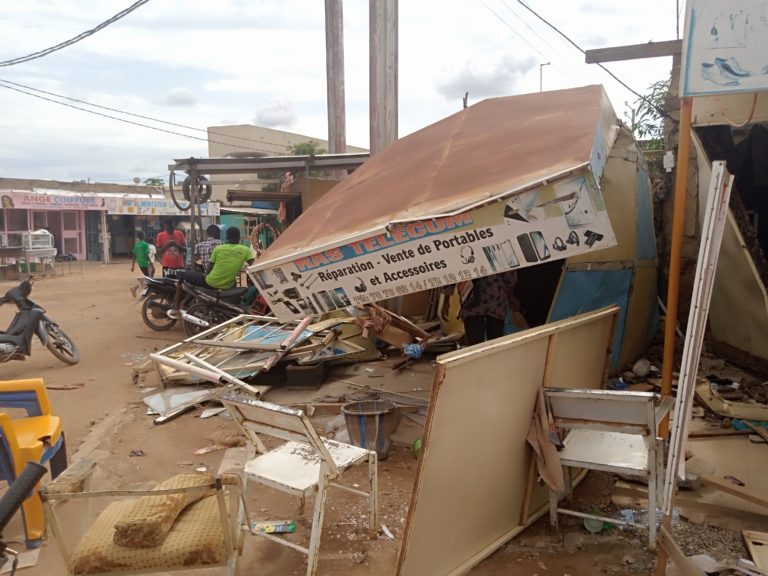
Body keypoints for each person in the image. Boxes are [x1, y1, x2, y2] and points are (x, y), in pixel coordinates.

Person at [167, 227, 254, 319]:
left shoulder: (219, 248)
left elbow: (209, 269)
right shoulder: (246, 250)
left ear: (227, 237)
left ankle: (176, 308)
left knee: (182, 275)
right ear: (239, 237)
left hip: (211, 282)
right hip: (228, 286)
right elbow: (254, 264)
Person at [440, 270, 526, 346]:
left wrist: (511, 296)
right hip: (475, 297)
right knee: (477, 343)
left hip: (492, 297)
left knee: (494, 342)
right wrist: (446, 300)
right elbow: (452, 269)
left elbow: (507, 269)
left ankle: (493, 362)